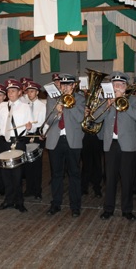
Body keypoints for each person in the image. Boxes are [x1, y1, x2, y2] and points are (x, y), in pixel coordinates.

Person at [95, 73, 136, 221]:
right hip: (110, 144)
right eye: (114, 84)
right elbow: (96, 117)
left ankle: (127, 210)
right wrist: (108, 105)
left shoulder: (133, 99)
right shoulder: (105, 99)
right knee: (110, 178)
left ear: (126, 87)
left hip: (127, 145)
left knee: (127, 179)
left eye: (120, 85)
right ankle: (108, 209)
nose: (117, 87)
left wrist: (122, 102)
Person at [45, 74, 85, 218]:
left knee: (74, 174)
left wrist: (70, 106)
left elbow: (80, 118)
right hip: (55, 140)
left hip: (72, 140)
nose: (65, 87)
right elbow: (48, 120)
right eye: (63, 85)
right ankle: (55, 204)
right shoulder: (52, 98)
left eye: (68, 85)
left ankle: (75, 206)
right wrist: (57, 110)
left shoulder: (80, 99)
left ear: (74, 85)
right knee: (56, 174)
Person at [0, 79, 32, 213]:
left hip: (18, 142)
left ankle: (19, 202)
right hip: (4, 142)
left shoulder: (25, 107)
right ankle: (8, 200)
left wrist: (29, 127)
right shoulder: (2, 106)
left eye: (13, 91)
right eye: (8, 91)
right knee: (5, 173)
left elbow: (30, 126)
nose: (10, 93)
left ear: (20, 92)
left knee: (17, 174)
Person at [22, 81, 46, 201]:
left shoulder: (42, 106)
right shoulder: (24, 105)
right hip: (26, 135)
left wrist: (43, 133)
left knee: (36, 164)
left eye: (32, 91)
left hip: (36, 135)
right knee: (27, 164)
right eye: (28, 91)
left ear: (37, 92)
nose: (29, 94)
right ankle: (29, 189)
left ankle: (37, 190)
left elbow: (44, 122)